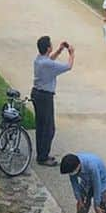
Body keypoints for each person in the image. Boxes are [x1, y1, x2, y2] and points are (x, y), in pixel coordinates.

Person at [32, 35, 74, 166]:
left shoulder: (39, 60)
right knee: (49, 128)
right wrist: (71, 54)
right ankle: (43, 157)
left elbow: (50, 60)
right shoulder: (48, 64)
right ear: (48, 47)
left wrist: (60, 50)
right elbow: (68, 66)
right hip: (45, 97)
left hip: (36, 94)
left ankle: (41, 153)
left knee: (40, 126)